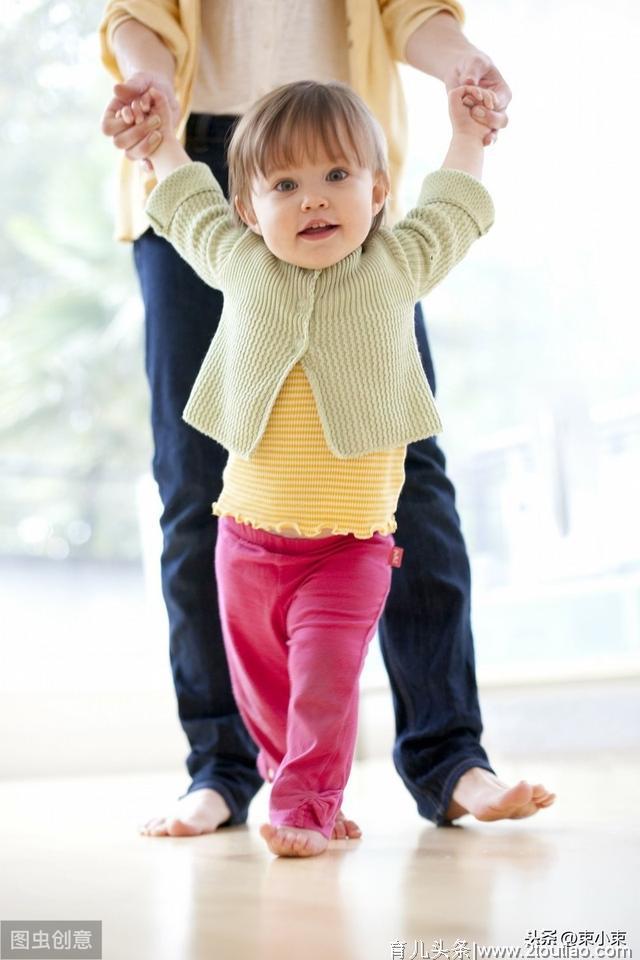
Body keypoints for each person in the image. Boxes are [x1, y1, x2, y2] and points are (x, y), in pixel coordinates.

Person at [99, 2, 555, 839]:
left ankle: (431, 764)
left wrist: (467, 112)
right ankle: (228, 770)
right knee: (192, 485)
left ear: (379, 193)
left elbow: (452, 204)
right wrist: (158, 127)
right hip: (202, 144)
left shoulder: (392, 261)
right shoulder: (235, 250)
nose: (313, 203)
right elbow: (188, 193)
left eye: (338, 185)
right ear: (252, 211)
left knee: (410, 500)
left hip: (352, 544)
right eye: (290, 192)